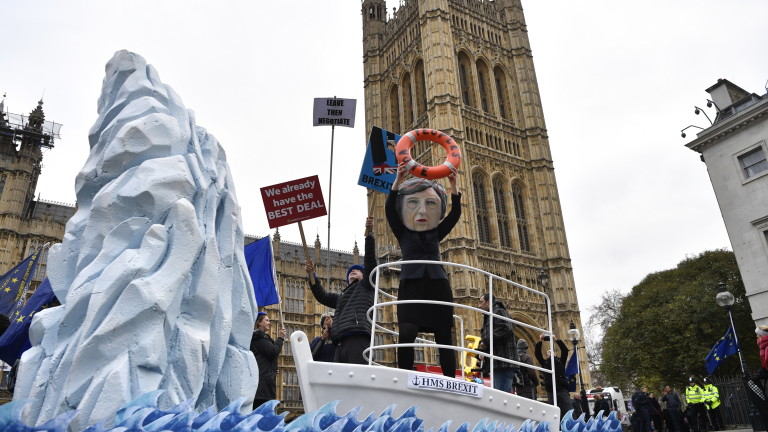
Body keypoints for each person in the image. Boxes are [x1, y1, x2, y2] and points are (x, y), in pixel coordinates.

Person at [386, 166, 461, 377]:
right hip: (412, 284)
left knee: (444, 335)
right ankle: (405, 376)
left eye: (429, 204)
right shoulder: (402, 232)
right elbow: (390, 210)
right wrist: (398, 181)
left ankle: (449, 380)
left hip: (437, 283)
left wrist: (453, 187)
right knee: (407, 331)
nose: (422, 211)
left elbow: (454, 215)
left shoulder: (436, 232)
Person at [306, 217, 376, 364]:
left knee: (357, 379)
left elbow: (370, 262)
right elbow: (322, 296)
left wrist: (369, 236)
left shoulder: (366, 287)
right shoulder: (342, 298)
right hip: (340, 341)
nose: (353, 271)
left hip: (357, 336)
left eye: (357, 270)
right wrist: (312, 276)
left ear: (365, 276)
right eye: (351, 271)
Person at [478, 293, 517, 392]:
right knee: (498, 394)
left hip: (503, 363)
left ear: (488, 302)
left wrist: (485, 342)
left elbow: (505, 328)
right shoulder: (491, 315)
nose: (479, 305)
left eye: (481, 302)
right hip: (498, 363)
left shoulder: (499, 311)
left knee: (501, 396)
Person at [250, 311, 286, 409]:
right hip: (262, 389)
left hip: (263, 386)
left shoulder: (260, 337)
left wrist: (273, 369)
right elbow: (273, 352)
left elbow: (263, 359)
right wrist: (280, 338)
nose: (269, 322)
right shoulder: (259, 337)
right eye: (267, 320)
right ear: (259, 323)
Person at [534, 333, 571, 419]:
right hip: (551, 391)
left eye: (551, 351)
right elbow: (537, 354)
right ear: (546, 356)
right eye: (548, 352)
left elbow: (565, 351)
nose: (549, 352)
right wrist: (540, 341)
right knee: (552, 413)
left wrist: (556, 340)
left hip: (562, 390)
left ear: (555, 354)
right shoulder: (545, 363)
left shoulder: (561, 361)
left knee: (568, 410)